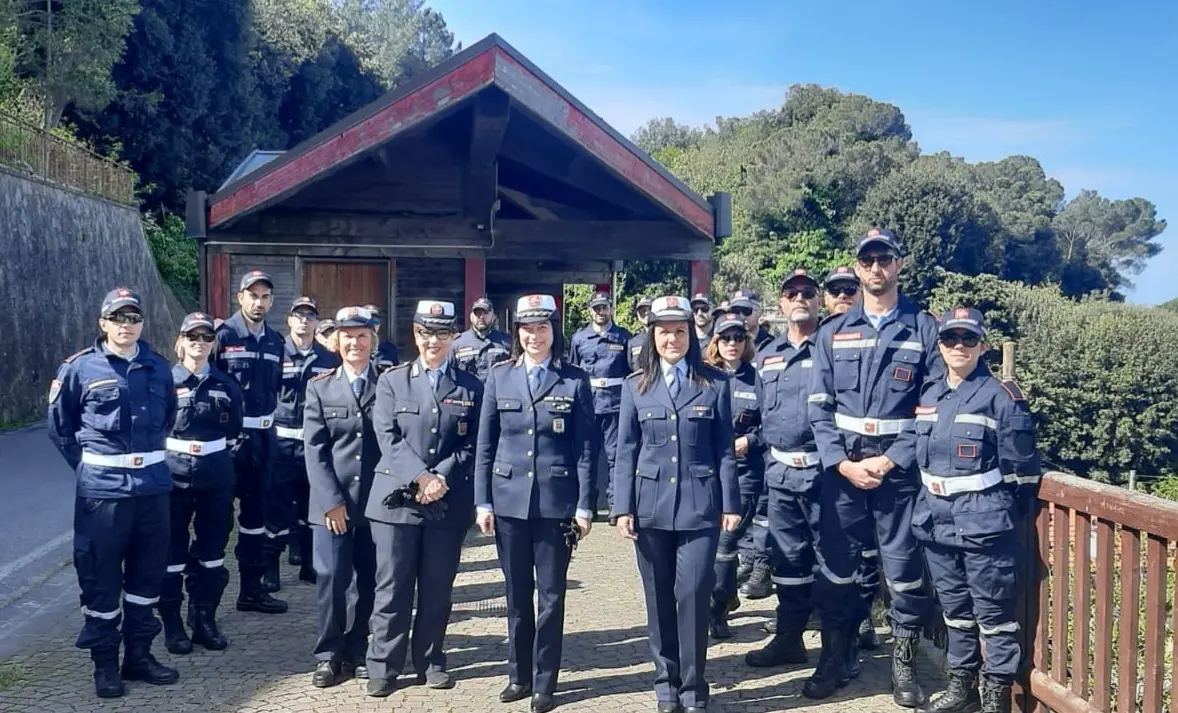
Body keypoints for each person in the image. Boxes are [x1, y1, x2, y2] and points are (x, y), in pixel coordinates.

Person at [806, 227, 944, 706]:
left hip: (898, 472)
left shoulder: (925, 329)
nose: (876, 268)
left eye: (884, 259)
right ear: (858, 267)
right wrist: (840, 464)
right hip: (842, 473)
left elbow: (932, 408)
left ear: (899, 265)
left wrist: (891, 459)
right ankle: (836, 658)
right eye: (867, 261)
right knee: (836, 572)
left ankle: (902, 666)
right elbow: (818, 409)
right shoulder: (832, 331)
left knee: (904, 572)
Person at [47, 287, 180, 698]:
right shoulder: (79, 369)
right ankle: (105, 665)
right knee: (100, 581)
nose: (126, 325)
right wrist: (91, 469)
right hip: (102, 494)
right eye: (118, 318)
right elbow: (61, 428)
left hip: (152, 489)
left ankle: (138, 656)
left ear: (141, 322)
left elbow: (168, 420)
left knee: (147, 577)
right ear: (103, 323)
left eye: (133, 318)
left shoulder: (158, 368)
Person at [612, 295, 742, 713]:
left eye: (680, 331)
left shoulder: (715, 383)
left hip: (700, 507)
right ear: (652, 336)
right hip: (650, 507)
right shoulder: (635, 386)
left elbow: (723, 449)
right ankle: (666, 685)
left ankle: (693, 687)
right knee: (658, 599)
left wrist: (731, 503)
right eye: (664, 331)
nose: (672, 339)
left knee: (691, 596)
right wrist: (621, 507)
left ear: (691, 333)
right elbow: (625, 450)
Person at [913, 307, 1040, 713]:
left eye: (969, 339)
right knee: (955, 611)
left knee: (994, 614)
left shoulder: (1001, 396)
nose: (959, 347)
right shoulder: (930, 394)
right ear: (940, 345)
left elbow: (1023, 472)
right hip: (936, 523)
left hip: (984, 525)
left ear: (982, 345)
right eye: (951, 339)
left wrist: (1000, 514)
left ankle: (996, 695)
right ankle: (961, 686)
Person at [474, 294, 597, 713]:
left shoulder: (574, 380)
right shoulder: (499, 376)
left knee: (551, 596)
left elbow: (585, 448)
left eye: (542, 328)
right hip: (508, 503)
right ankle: (518, 675)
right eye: (527, 329)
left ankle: (545, 681)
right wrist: (482, 502)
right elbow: (485, 446)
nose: (534, 336)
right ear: (517, 333)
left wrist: (584, 506)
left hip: (555, 504)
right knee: (515, 595)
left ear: (553, 332)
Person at [366, 300, 482, 696]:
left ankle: (430, 660)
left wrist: (439, 477)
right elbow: (386, 437)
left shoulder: (471, 386)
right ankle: (383, 664)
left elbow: (474, 443)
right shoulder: (391, 381)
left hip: (445, 503)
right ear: (415, 334)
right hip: (395, 501)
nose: (433, 340)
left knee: (437, 588)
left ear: (453, 337)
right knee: (392, 588)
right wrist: (420, 476)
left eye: (442, 333)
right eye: (426, 332)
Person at [743, 270, 829, 669]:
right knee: (788, 562)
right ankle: (790, 640)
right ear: (781, 302)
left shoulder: (830, 349)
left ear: (819, 300)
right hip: (780, 475)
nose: (799, 298)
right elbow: (762, 418)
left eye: (808, 292)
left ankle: (837, 648)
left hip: (825, 474)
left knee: (831, 563)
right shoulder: (766, 355)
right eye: (791, 292)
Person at [302, 306, 382, 688]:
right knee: (332, 578)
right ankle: (328, 654)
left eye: (362, 335)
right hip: (330, 503)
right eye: (347, 336)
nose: (354, 342)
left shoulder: (389, 383)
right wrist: (331, 500)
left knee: (369, 579)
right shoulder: (320, 386)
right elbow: (314, 450)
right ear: (336, 342)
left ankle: (359, 648)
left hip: (375, 503)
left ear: (373, 340)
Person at [159, 312, 243, 657]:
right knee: (171, 556)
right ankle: (172, 623)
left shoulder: (225, 385)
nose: (199, 343)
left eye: (206, 337)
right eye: (192, 337)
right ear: (180, 341)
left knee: (211, 554)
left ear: (213, 343)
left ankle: (204, 619)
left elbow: (236, 431)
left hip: (215, 477)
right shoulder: (163, 384)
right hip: (172, 478)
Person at [214, 270, 288, 615]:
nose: (259, 303)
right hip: (230, 443)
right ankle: (205, 607)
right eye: (253, 295)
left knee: (257, 518)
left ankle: (252, 591)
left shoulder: (275, 340)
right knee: (217, 521)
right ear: (239, 297)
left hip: (264, 440)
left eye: (265, 297)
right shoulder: (222, 335)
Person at [822, 264, 885, 651]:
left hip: (866, 468)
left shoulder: (876, 335)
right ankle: (830, 642)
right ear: (825, 297)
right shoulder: (819, 339)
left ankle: (861, 624)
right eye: (836, 290)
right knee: (826, 560)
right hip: (825, 468)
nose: (844, 295)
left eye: (850, 289)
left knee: (866, 555)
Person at [703, 311, 764, 640]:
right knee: (707, 546)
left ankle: (718, 607)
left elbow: (770, 425)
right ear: (715, 341)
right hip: (706, 475)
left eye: (738, 338)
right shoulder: (703, 378)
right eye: (725, 338)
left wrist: (749, 440)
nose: (732, 344)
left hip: (744, 475)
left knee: (726, 547)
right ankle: (715, 598)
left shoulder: (757, 380)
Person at [272, 297, 339, 590]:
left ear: (315, 322)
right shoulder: (276, 354)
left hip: (313, 445)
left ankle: (311, 566)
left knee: (313, 508)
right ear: (289, 320)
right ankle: (270, 571)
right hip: (281, 444)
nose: (304, 321)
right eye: (298, 316)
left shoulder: (327, 359)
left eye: (310, 316)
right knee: (276, 512)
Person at [567, 290, 631, 519]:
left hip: (615, 403)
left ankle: (615, 506)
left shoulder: (624, 337)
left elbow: (630, 371)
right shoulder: (579, 338)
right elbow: (573, 371)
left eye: (604, 307)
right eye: (596, 308)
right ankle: (588, 504)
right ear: (589, 311)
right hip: (587, 405)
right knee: (586, 455)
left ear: (611, 308)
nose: (601, 312)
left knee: (615, 456)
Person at [450, 296, 511, 381]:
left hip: (497, 393)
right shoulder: (457, 344)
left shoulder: (507, 342)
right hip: (468, 393)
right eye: (477, 313)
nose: (481, 317)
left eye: (485, 312)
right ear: (471, 316)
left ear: (493, 316)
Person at [364, 304, 400, 373]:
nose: (373, 326)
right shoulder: (355, 348)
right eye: (369, 321)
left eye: (376, 321)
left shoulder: (389, 349)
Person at [626, 296, 655, 371]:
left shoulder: (664, 337)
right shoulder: (633, 341)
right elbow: (630, 368)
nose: (647, 312)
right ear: (637, 315)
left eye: (650, 309)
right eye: (642, 310)